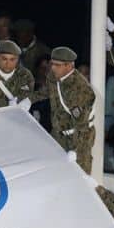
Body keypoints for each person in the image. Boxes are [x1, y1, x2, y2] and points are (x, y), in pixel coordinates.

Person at [40, 46, 96, 174]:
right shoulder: (54, 77)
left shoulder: (80, 89)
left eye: (57, 65)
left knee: (80, 176)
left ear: (69, 66)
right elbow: (46, 92)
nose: (53, 68)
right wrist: (28, 99)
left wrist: (76, 150)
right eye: (52, 64)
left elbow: (83, 125)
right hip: (58, 135)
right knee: (55, 174)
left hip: (77, 138)